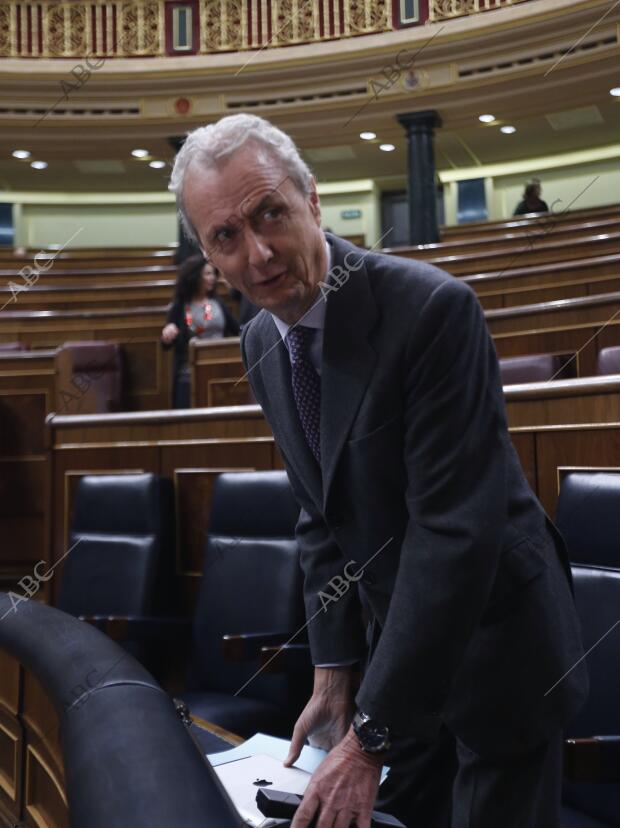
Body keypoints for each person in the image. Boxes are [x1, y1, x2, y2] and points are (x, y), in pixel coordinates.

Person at [169, 113, 588, 828]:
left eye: (271, 212)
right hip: (399, 657)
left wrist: (367, 741)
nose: (259, 253)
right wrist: (334, 672)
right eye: (225, 238)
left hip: (499, 649)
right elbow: (319, 511)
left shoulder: (431, 310)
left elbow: (453, 535)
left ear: (313, 201)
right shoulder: (260, 339)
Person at [161, 254, 239, 408]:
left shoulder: (217, 303)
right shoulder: (179, 306)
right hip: (188, 374)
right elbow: (166, 344)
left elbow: (237, 330)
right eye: (207, 274)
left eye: (213, 274)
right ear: (194, 276)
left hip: (220, 369)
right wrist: (167, 335)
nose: (213, 278)